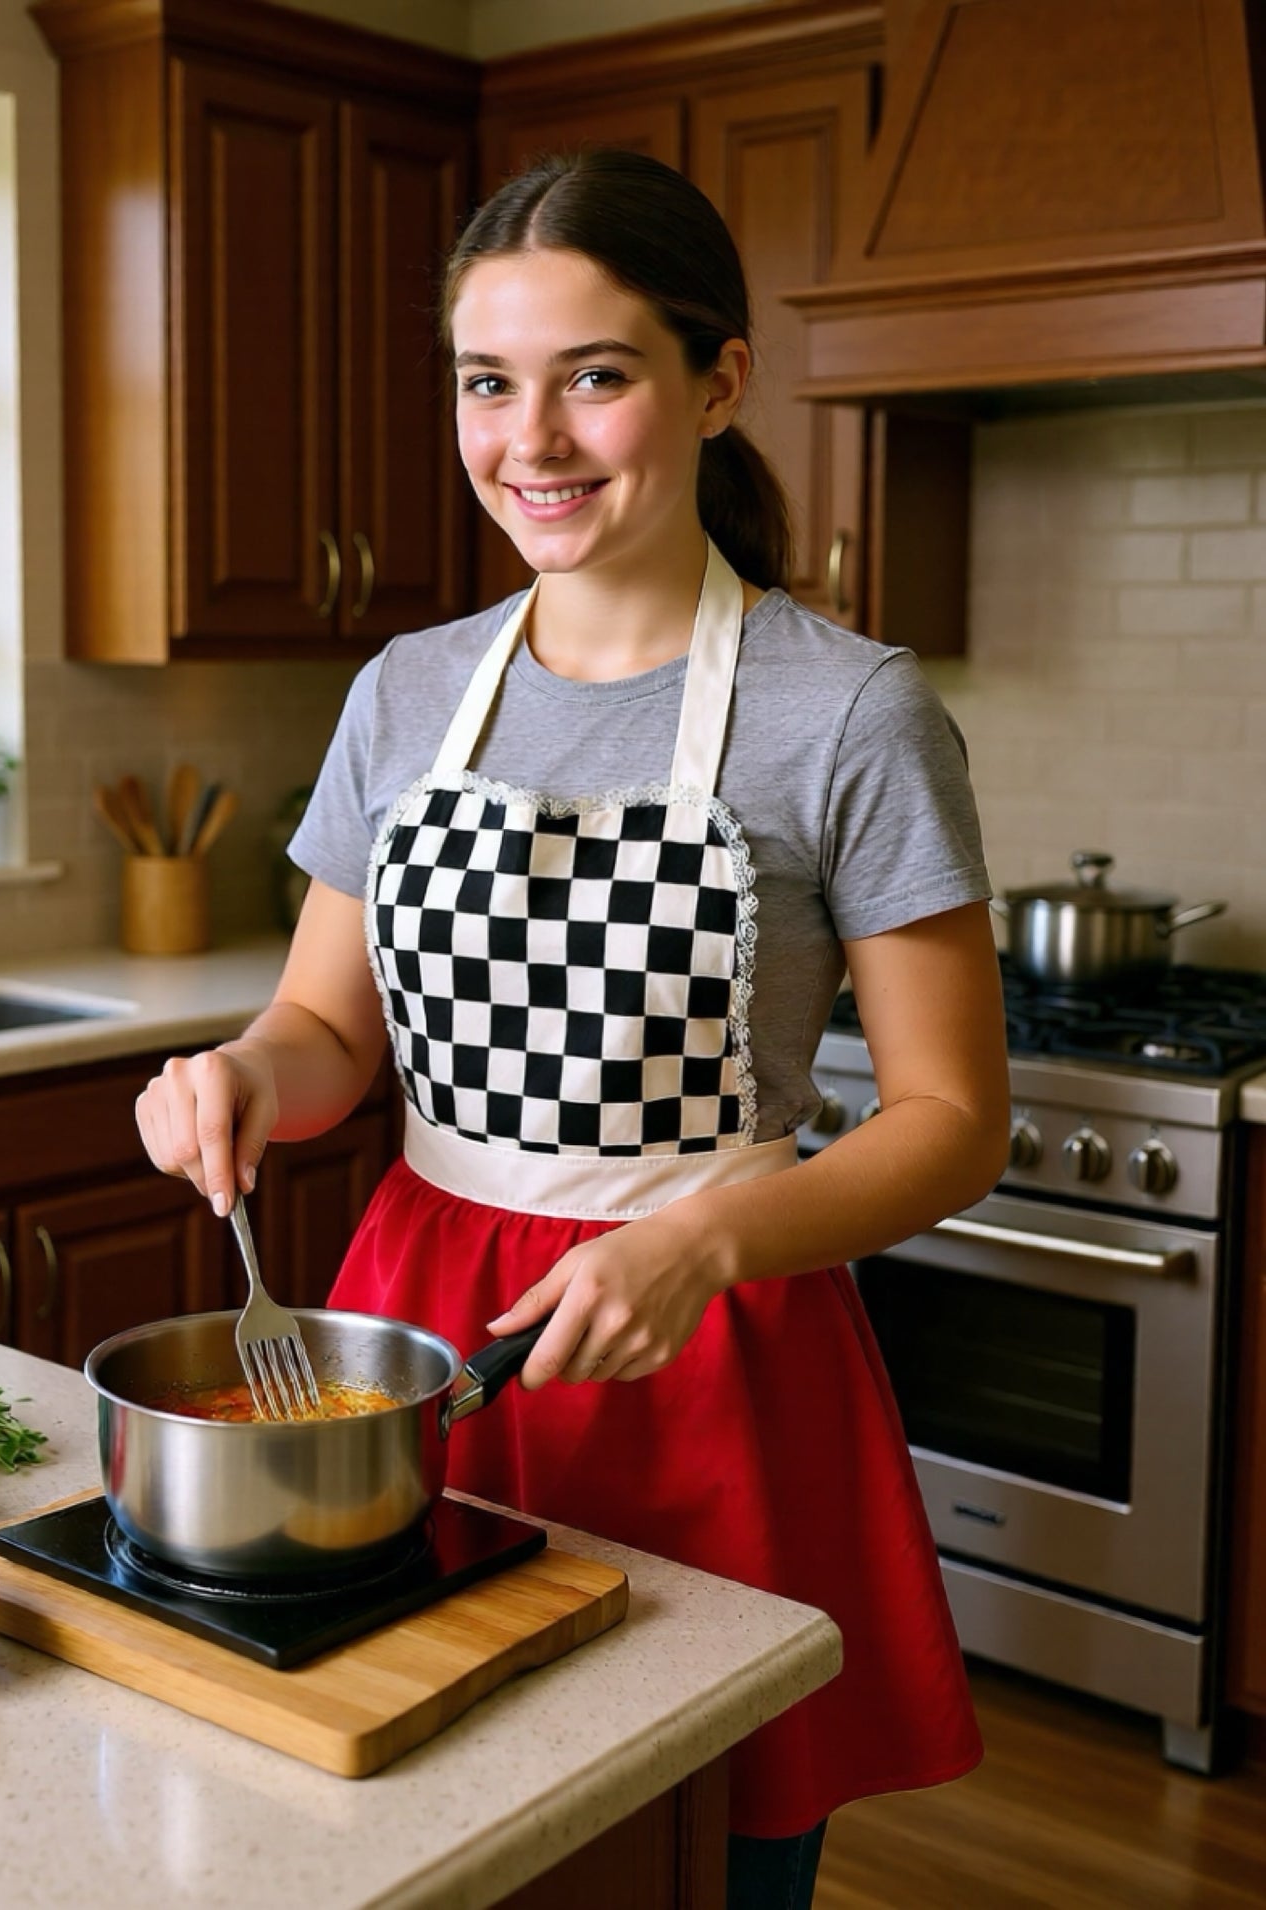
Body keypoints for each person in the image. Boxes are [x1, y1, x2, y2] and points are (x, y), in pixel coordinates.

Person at [136, 148, 1011, 1909]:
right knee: (405, 1821)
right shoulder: (404, 689)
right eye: (487, 382)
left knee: (700, 1851)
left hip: (713, 1352)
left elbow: (950, 1118)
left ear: (717, 381)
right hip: (414, 1340)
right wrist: (239, 1075)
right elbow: (327, 1026)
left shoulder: (848, 708)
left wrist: (704, 1241)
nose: (528, 438)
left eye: (593, 376)